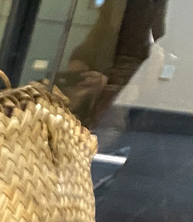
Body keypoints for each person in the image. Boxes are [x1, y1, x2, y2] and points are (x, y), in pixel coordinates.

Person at [57, 0, 168, 128]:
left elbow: (149, 84)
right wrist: (79, 67)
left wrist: (106, 84)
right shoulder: (112, 16)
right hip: (93, 115)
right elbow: (90, 46)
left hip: (123, 115)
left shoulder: (154, 30)